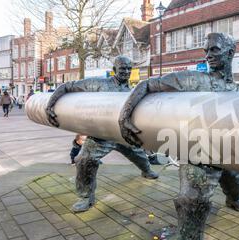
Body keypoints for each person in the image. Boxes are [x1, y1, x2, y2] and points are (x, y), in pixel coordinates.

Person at [119, 33, 239, 240]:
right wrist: (124, 117)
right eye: (206, 50)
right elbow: (148, 85)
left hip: (226, 151)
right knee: (191, 199)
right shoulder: (195, 79)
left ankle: (234, 199)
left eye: (214, 49)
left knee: (234, 180)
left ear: (230, 53)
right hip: (198, 153)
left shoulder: (236, 90)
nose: (208, 55)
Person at [45, 56, 159, 213]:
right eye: (122, 69)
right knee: (84, 159)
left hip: (122, 135)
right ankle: (86, 197)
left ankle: (146, 170)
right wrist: (50, 104)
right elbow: (67, 86)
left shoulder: (132, 91)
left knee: (139, 155)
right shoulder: (99, 83)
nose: (126, 71)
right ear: (114, 70)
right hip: (102, 134)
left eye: (128, 69)